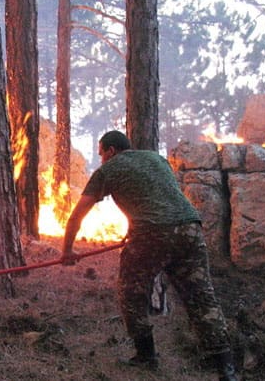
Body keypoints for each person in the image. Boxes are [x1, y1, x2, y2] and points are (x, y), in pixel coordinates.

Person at [61, 130, 237, 381]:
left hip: (151, 234)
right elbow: (158, 198)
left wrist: (67, 250)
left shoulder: (108, 170)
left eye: (101, 154)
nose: (101, 159)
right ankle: (226, 368)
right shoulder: (156, 159)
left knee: (131, 293)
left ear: (111, 151)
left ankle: (146, 356)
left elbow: (77, 214)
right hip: (190, 228)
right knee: (202, 298)